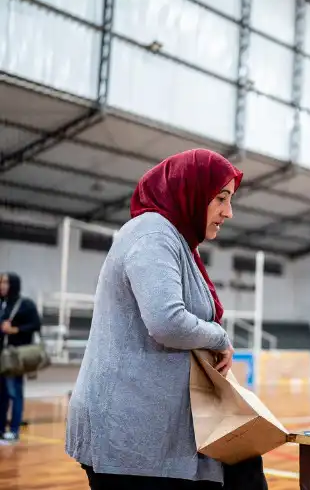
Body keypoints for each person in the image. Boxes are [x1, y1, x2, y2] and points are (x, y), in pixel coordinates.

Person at [65, 149, 246, 489]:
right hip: (126, 431)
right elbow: (167, 321)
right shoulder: (153, 234)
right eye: (221, 198)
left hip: (148, 429)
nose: (229, 212)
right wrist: (219, 338)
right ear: (190, 190)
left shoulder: (175, 240)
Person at [0, 272, 42, 441]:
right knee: (2, 394)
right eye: (1, 282)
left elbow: (36, 324)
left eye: (6, 282)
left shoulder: (25, 304)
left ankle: (15, 430)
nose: (2, 285)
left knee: (14, 392)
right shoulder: (2, 304)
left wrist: (16, 330)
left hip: (15, 357)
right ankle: (1, 428)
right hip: (1, 356)